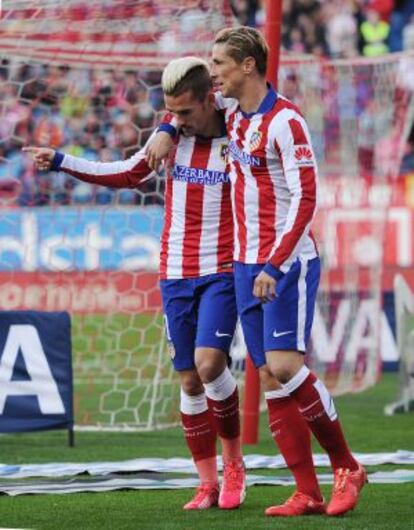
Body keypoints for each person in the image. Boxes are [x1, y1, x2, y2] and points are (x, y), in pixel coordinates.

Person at [149, 26, 367, 518]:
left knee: (287, 366)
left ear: (247, 65)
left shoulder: (285, 121)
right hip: (244, 265)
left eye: (220, 63)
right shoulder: (230, 113)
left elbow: (307, 197)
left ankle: (347, 466)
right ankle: (307, 491)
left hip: (285, 261)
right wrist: (166, 127)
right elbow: (186, 104)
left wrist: (274, 261)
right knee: (268, 374)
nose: (213, 72)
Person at [23, 57, 246, 512]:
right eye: (171, 112)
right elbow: (126, 173)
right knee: (188, 380)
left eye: (184, 112)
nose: (177, 120)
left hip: (223, 269)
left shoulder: (240, 129)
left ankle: (235, 464)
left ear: (209, 99)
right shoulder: (171, 138)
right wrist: (63, 160)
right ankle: (205, 483)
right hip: (175, 272)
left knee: (209, 365)